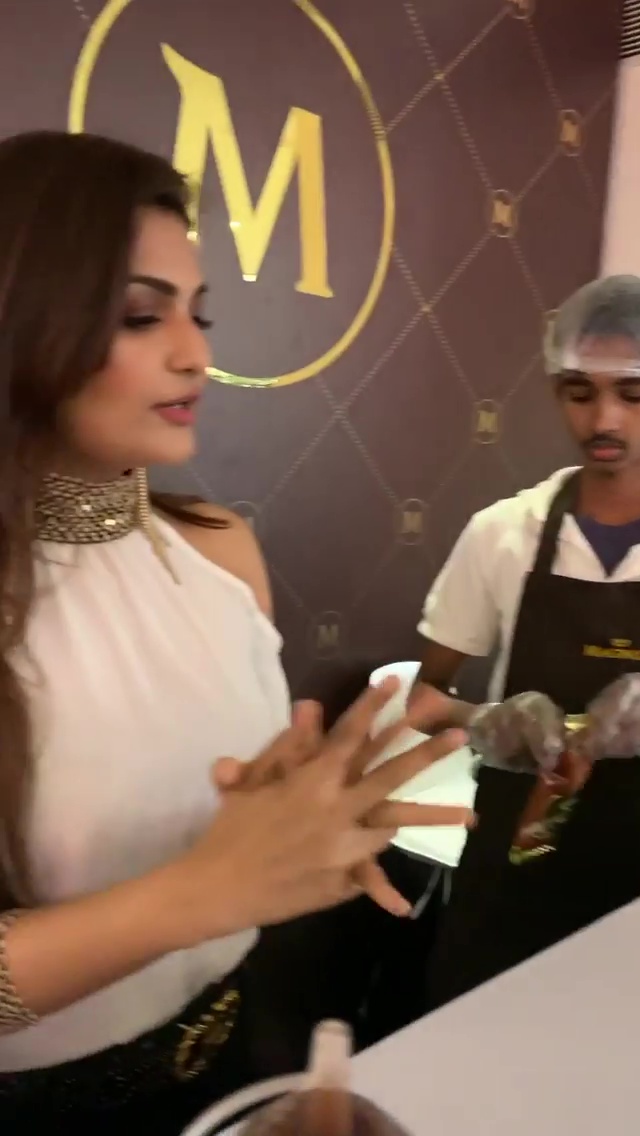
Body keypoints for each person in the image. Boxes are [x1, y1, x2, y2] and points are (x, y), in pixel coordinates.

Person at [0, 130, 472, 1133]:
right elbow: (209, 883)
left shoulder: (217, 551)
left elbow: (221, 812)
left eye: (198, 313)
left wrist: (311, 806)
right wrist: (204, 888)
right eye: (141, 315)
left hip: (239, 1048)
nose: (196, 354)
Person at [411, 275, 640, 1008]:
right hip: (513, 872)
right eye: (580, 392)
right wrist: (483, 719)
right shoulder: (503, 535)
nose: (604, 419)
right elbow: (422, 698)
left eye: (633, 393)